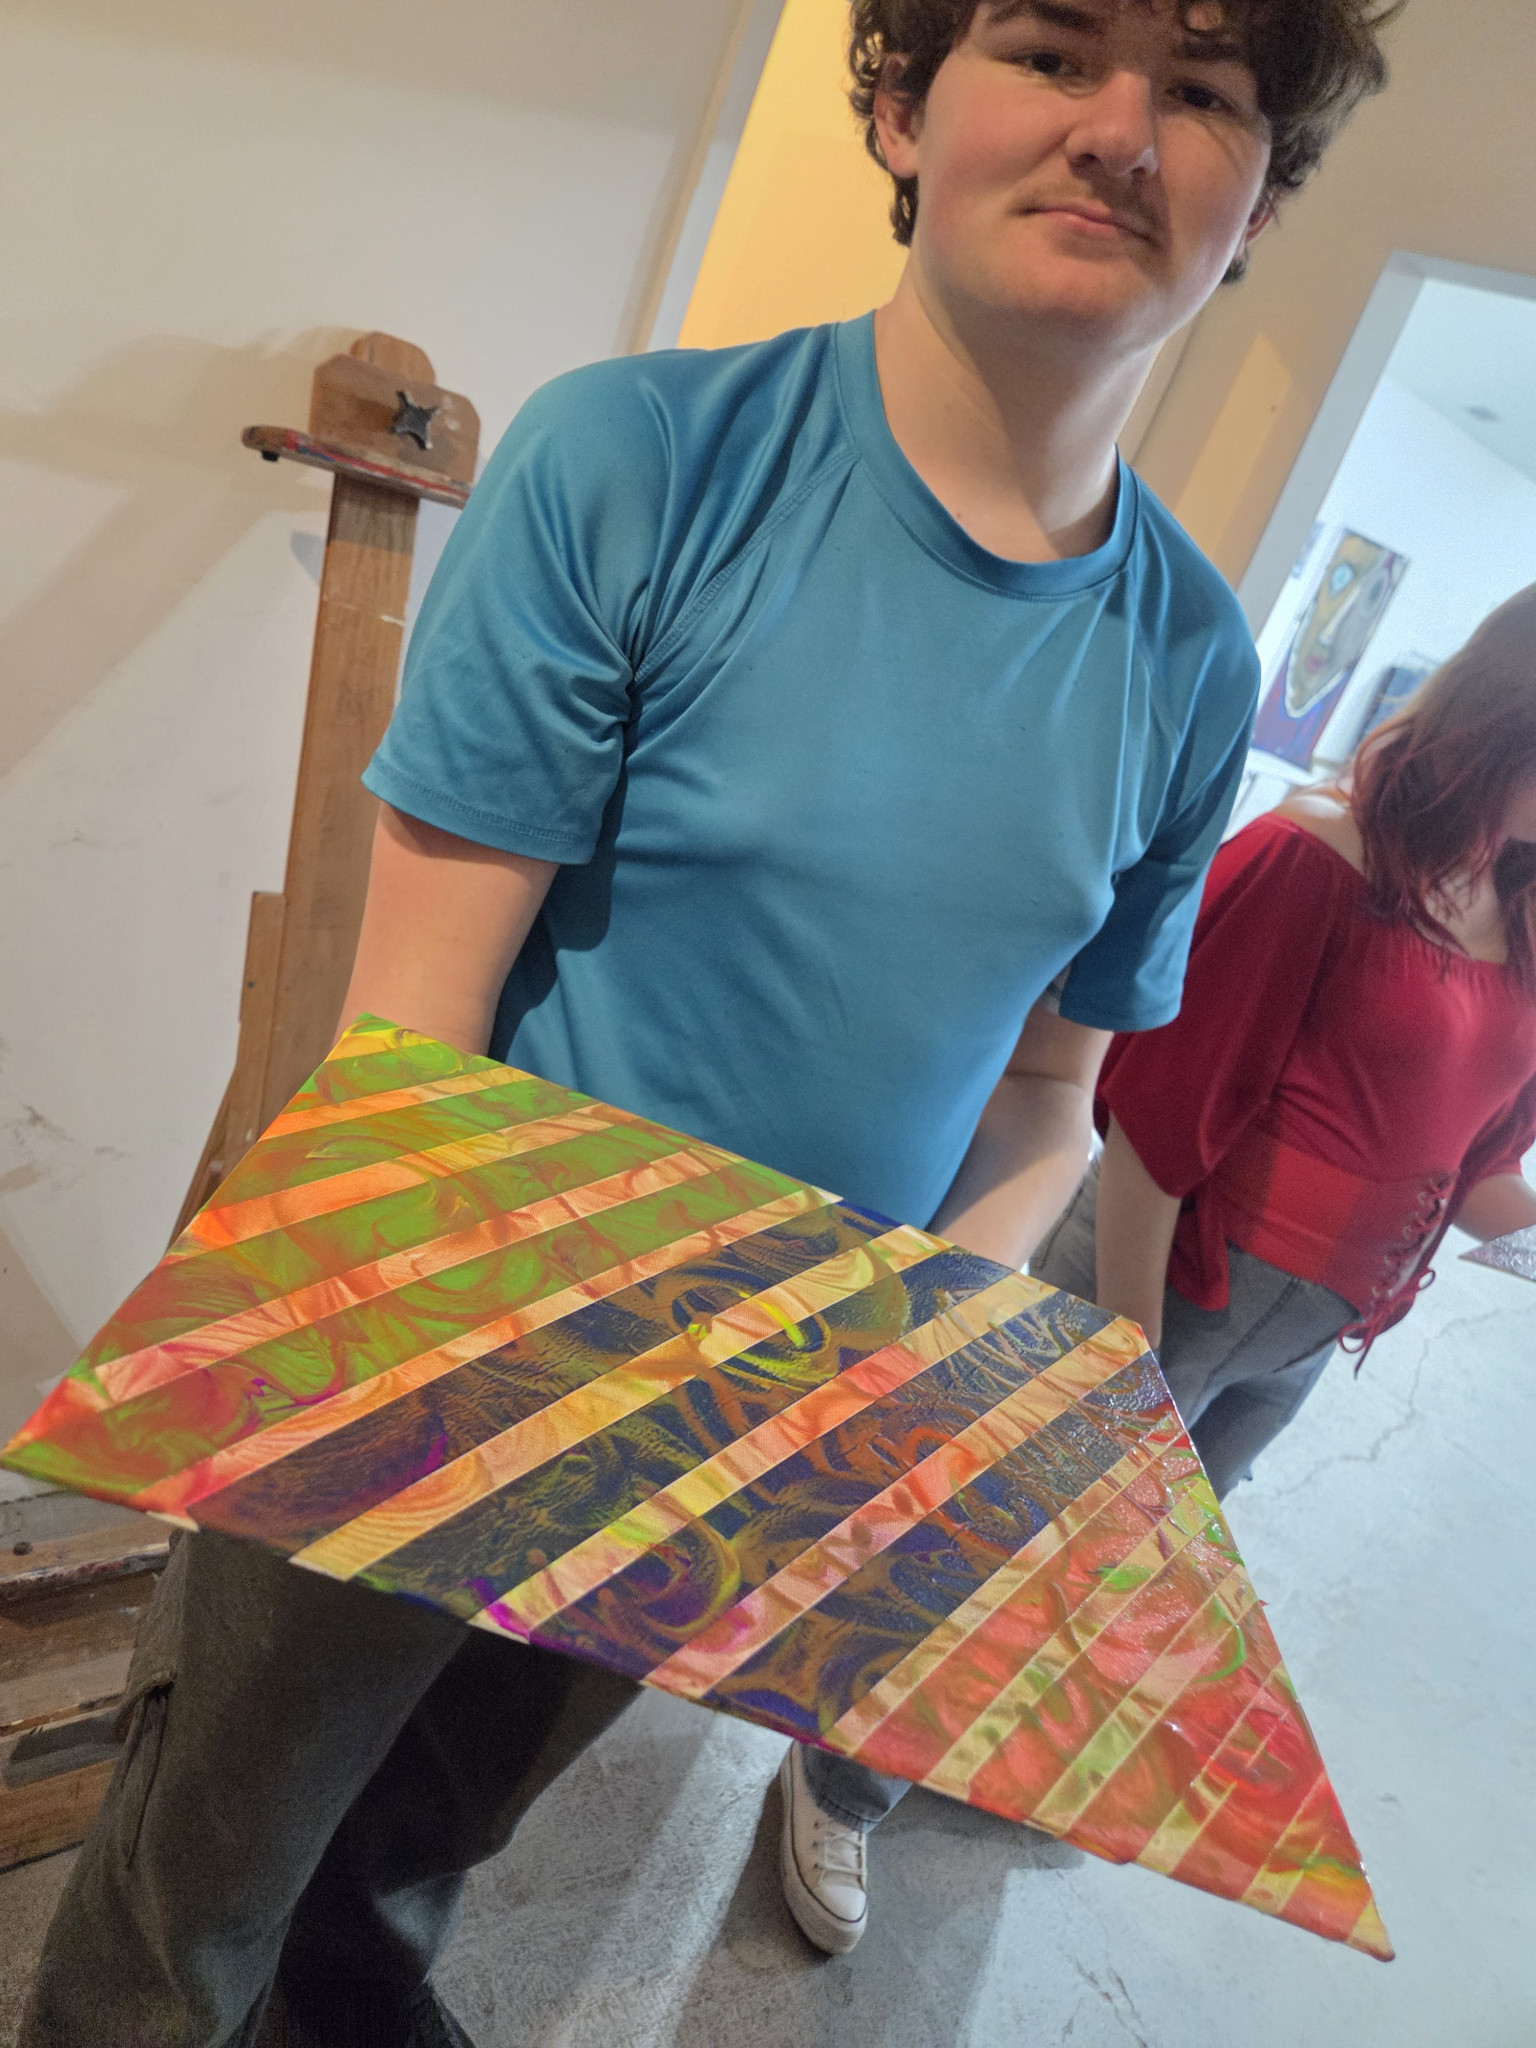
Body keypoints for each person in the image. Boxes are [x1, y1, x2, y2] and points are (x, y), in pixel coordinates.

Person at [21, 2, 1400, 2039]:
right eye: (1053, 50)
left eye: (1200, 94)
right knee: (191, 1901)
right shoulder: (639, 461)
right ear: (903, 103)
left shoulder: (1190, 657)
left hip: (751, 1417)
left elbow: (1051, 1086)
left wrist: (883, 1373)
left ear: (1257, 204)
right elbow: (417, 1027)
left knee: (414, 1858)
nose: (1122, 132)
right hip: (441, 1326)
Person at [1034, 585, 1536, 1505]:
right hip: (1160, 1287)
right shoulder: (1315, 855)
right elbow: (1155, 1115)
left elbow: (1471, 1166)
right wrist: (1126, 1349)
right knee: (1008, 1535)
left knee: (1136, 1573)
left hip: (1298, 1347)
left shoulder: (1520, 912)